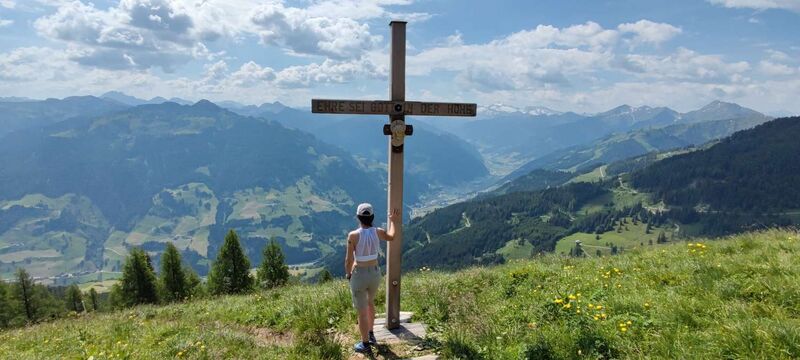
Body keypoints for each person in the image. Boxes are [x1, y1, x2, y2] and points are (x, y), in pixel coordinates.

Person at [345, 203, 398, 353]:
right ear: (372, 217)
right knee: (370, 303)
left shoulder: (353, 236)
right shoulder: (378, 232)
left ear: (358, 217)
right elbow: (392, 236)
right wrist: (393, 220)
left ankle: (365, 344)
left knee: (362, 310)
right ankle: (371, 334)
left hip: (359, 274)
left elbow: (348, 260)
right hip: (374, 273)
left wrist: (349, 274)